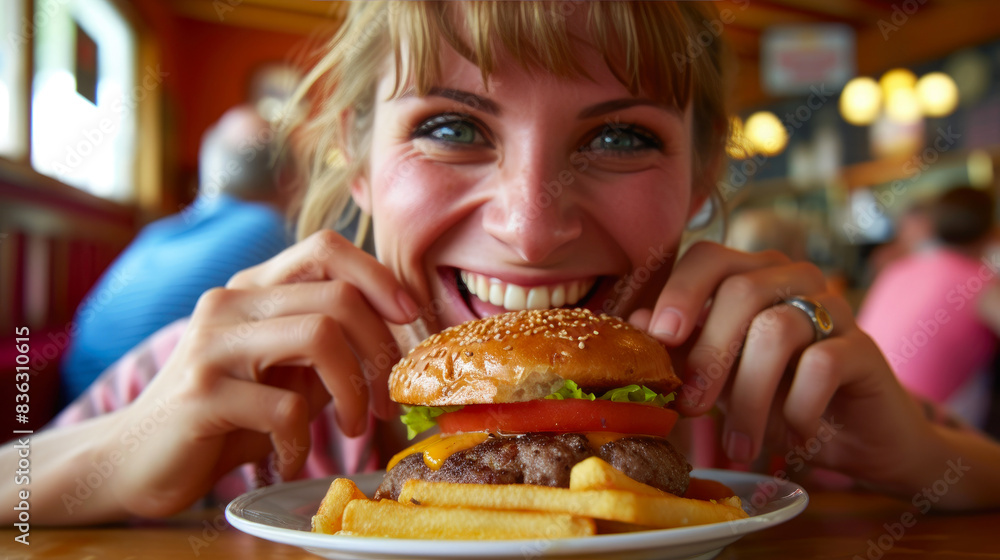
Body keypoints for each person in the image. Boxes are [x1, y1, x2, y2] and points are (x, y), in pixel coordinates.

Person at [4, 2, 1000, 526]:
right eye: (448, 126)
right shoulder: (236, 370)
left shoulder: (757, 388)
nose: (529, 229)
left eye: (619, 140)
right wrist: (101, 458)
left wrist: (922, 463)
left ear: (701, 175)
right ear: (355, 151)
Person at [58, 105, 294, 403]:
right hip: (139, 419)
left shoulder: (156, 234)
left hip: (71, 404)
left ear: (210, 168)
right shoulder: (276, 232)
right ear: (287, 179)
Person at [858, 186, 997, 427]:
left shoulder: (896, 270)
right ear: (993, 231)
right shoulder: (981, 283)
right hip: (911, 444)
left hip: (851, 436)